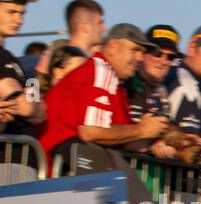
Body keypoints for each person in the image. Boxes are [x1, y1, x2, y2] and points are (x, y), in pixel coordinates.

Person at [38, 23, 168, 161]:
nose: (140, 58)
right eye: (135, 50)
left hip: (70, 168)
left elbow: (121, 138)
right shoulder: (100, 70)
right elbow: (91, 132)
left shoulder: (115, 84)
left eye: (142, 52)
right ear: (112, 46)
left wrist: (153, 144)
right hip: (55, 171)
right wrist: (140, 130)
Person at [0, 0, 45, 132]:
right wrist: (31, 101)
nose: (18, 19)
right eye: (11, 12)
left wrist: (37, 77)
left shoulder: (8, 56)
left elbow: (40, 112)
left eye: (22, 13)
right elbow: (26, 108)